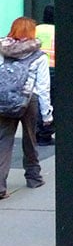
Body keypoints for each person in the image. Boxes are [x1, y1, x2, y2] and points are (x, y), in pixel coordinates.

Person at [0, 17, 53, 199]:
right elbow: (43, 87)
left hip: (3, 99)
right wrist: (46, 114)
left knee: (4, 141)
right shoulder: (38, 56)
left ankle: (0, 186)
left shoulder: (2, 50)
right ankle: (33, 177)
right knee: (30, 140)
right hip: (28, 100)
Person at [36, 5, 55, 145]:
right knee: (50, 100)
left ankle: (36, 131)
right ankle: (45, 133)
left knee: (38, 100)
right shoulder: (58, 30)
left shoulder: (36, 29)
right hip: (53, 70)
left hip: (36, 68)